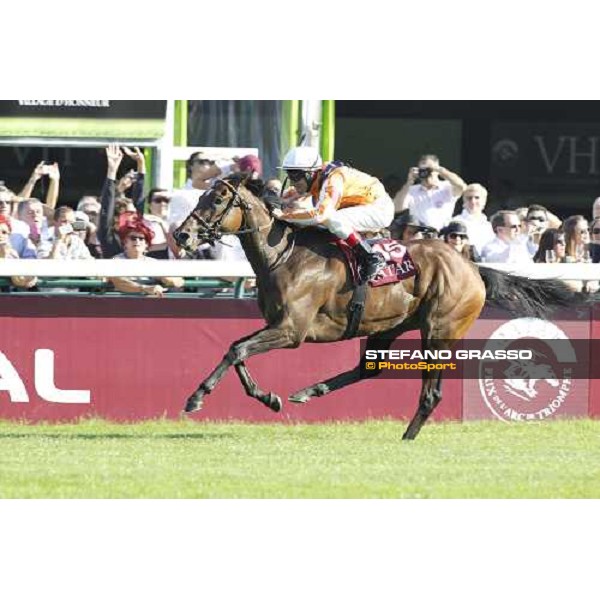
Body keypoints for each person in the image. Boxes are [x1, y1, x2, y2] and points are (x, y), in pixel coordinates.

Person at [272, 146, 395, 281]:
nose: (292, 182)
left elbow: (321, 215)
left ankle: (370, 257)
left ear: (310, 174)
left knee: (330, 218)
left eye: (295, 177)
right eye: (289, 175)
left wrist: (286, 216)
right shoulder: (317, 177)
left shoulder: (333, 180)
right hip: (361, 205)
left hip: (379, 208)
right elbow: (296, 199)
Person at [109, 216, 184, 297]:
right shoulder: (116, 260)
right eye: (133, 238)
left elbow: (180, 281)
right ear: (125, 242)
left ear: (146, 245)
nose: (137, 241)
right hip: (123, 304)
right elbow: (118, 282)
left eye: (141, 238)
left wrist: (165, 278)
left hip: (150, 305)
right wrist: (144, 288)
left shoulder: (153, 262)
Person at [393, 154, 467, 231]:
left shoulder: (447, 187)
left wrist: (440, 170)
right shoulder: (412, 190)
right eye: (422, 170)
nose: (427, 173)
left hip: (442, 235)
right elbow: (397, 208)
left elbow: (462, 187)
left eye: (429, 170)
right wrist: (409, 182)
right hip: (420, 235)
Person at [452, 183, 494, 254]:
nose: (473, 201)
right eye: (469, 198)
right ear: (464, 201)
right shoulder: (455, 222)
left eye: (477, 197)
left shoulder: (489, 225)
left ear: (484, 201)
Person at [0, 215, 38, 289]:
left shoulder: (12, 253)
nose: (0, 235)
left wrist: (30, 277)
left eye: (4, 232)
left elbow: (20, 280)